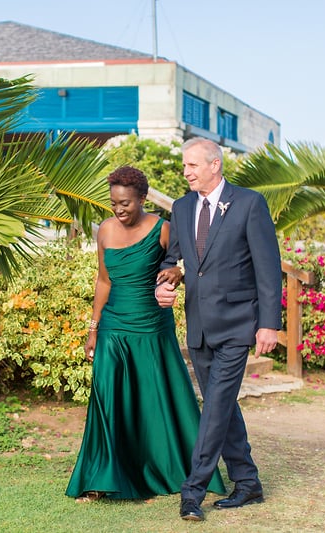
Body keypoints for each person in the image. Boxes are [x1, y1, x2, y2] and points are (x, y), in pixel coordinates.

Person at [65, 165, 225, 503]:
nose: (119, 209)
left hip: (152, 326)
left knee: (156, 400)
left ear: (141, 199)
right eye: (114, 203)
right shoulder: (105, 231)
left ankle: (171, 470)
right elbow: (103, 280)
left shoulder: (164, 229)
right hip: (114, 327)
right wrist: (93, 328)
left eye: (125, 203)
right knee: (108, 398)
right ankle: (100, 479)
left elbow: (184, 266)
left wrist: (176, 275)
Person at [155, 137, 283, 522]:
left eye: (192, 165)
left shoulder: (249, 203)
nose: (186, 172)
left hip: (237, 324)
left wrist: (268, 324)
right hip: (198, 326)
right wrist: (167, 280)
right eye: (184, 167)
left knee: (213, 408)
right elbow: (173, 257)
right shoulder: (181, 207)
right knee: (222, 407)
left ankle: (192, 492)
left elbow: (267, 268)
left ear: (215, 165)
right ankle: (247, 482)